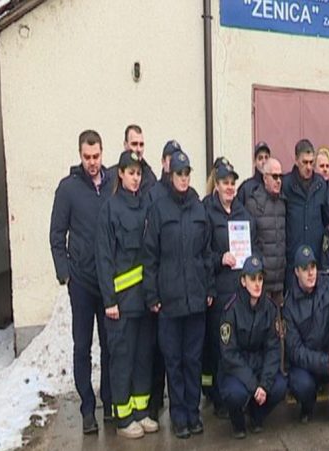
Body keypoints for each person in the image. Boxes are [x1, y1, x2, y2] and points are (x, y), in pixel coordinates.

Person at [141, 150, 214, 439]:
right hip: (169, 302)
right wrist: (152, 295)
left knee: (193, 360)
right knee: (174, 361)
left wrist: (209, 288)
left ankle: (193, 414)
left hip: (195, 300)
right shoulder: (159, 209)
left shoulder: (198, 209)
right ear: (170, 176)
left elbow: (206, 254)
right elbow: (150, 257)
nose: (183, 179)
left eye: (186, 174)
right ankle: (179, 416)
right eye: (178, 174)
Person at [49, 129, 112, 434]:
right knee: (82, 346)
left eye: (96, 156)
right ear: (80, 155)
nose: (92, 162)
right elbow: (56, 234)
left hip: (108, 282)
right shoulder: (68, 189)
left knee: (110, 346)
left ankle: (110, 403)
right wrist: (65, 273)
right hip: (82, 284)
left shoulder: (112, 185)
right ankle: (88, 408)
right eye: (87, 157)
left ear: (102, 153)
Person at [95, 151, 158, 438]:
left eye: (139, 173)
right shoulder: (110, 209)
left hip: (144, 300)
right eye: (131, 173)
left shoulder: (147, 205)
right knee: (122, 360)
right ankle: (123, 418)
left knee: (143, 358)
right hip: (120, 303)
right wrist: (109, 300)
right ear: (120, 174)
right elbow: (104, 257)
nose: (135, 178)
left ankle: (141, 412)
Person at [282, 245, 329, 431]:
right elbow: (295, 351)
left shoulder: (327, 284)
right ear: (296, 272)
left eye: (313, 267)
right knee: (302, 385)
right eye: (305, 269)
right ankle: (307, 407)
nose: (311, 273)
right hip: (307, 367)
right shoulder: (289, 305)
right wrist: (325, 363)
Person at [202, 160, 255, 417]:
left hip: (238, 291)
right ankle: (217, 398)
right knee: (218, 345)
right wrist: (219, 258)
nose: (230, 187)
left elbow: (253, 248)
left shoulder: (243, 214)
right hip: (219, 290)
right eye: (225, 182)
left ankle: (237, 394)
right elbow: (202, 253)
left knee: (236, 344)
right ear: (217, 184)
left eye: (233, 183)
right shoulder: (207, 212)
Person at [218, 256, 287, 439]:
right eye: (252, 279)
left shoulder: (270, 308)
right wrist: (253, 385)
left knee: (280, 386)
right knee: (235, 394)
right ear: (243, 281)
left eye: (260, 279)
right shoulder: (231, 309)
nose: (257, 284)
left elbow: (273, 349)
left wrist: (264, 384)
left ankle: (257, 416)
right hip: (236, 371)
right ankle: (238, 422)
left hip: (259, 366)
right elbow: (229, 354)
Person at [145, 139, 182, 420]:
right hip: (162, 289)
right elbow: (151, 249)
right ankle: (156, 401)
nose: (172, 163)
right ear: (163, 162)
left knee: (180, 355)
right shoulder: (153, 194)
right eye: (169, 158)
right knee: (159, 352)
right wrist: (153, 292)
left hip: (182, 291)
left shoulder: (188, 197)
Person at [282, 139, 329, 288]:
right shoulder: (286, 185)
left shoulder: (321, 185)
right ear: (296, 160)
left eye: (311, 163)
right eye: (304, 162)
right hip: (293, 261)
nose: (308, 167)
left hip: (315, 260)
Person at [244, 157, 287, 305]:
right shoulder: (253, 204)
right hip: (260, 282)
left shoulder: (283, 202)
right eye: (274, 176)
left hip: (280, 283)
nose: (278, 181)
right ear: (265, 178)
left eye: (280, 176)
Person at [107, 125, 157, 195]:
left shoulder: (150, 178)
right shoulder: (110, 176)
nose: (138, 149)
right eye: (134, 144)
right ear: (125, 145)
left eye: (141, 145)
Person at [146, 139, 182, 206]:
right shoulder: (154, 193)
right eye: (171, 159)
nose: (174, 162)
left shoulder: (185, 191)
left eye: (177, 158)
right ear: (163, 161)